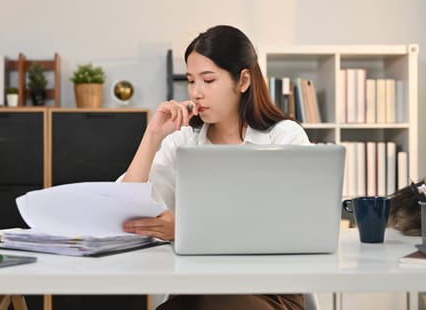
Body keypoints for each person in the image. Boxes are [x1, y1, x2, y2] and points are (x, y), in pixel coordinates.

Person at [121, 25, 309, 310]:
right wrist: (152, 136)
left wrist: (186, 230)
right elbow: (125, 207)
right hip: (196, 288)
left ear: (243, 80)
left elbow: (295, 228)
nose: (196, 93)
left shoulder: (285, 137)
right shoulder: (184, 142)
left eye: (208, 80)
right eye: (191, 81)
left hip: (271, 292)